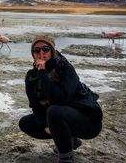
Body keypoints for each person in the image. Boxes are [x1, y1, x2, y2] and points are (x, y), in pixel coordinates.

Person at [19, 34, 103, 163]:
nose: (41, 53)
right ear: (33, 54)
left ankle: (66, 159)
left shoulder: (65, 68)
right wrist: (44, 126)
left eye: (45, 49)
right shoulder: (31, 76)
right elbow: (35, 105)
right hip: (61, 117)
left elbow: (61, 99)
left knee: (54, 111)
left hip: (87, 120)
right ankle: (70, 141)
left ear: (52, 51)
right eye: (37, 50)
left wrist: (43, 73)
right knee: (25, 122)